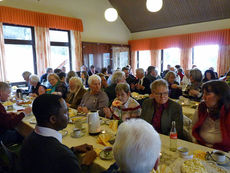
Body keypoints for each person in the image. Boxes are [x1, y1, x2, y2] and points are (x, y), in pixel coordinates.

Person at [20, 94, 97, 173]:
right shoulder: (64, 157)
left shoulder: (28, 139)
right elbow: (57, 156)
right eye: (65, 111)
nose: (68, 114)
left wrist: (73, 150)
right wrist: (85, 164)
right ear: (53, 119)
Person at [192, 80, 230, 151]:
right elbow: (192, 128)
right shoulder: (202, 107)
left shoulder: (228, 112)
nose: (203, 97)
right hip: (200, 149)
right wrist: (195, 143)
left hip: (223, 153)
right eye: (203, 93)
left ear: (220, 96)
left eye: (207, 94)